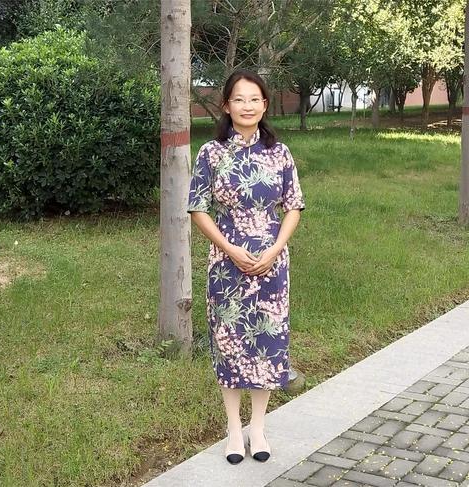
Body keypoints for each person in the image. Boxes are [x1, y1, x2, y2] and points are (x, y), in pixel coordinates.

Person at [187, 69, 305, 465]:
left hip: (272, 263)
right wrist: (230, 249)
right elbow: (198, 208)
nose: (247, 106)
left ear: (265, 105)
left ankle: (258, 427)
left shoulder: (279, 153)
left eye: (254, 99)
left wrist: (275, 249)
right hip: (227, 264)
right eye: (239, 99)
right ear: (226, 105)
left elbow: (293, 207)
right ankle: (234, 430)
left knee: (267, 344)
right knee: (230, 343)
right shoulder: (211, 153)